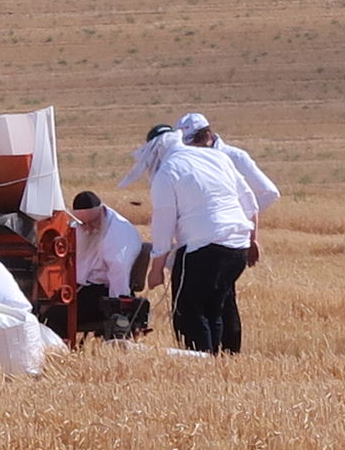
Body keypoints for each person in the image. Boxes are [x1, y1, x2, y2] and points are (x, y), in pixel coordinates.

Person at [144, 128, 259, 354]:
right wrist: (253, 240)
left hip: (203, 248)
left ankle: (201, 365)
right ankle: (216, 363)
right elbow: (250, 203)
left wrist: (156, 269)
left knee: (189, 311)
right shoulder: (217, 157)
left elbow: (163, 226)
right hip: (237, 246)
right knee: (214, 310)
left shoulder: (167, 171)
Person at [177, 112, 278, 351]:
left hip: (230, 238)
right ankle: (217, 355)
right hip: (206, 239)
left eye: (194, 141)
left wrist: (242, 227)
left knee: (224, 302)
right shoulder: (188, 161)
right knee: (218, 299)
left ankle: (227, 354)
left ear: (208, 136)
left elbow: (268, 193)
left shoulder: (233, 157)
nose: (191, 147)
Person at [70, 190, 147, 335]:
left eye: (92, 223)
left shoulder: (118, 234)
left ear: (103, 212)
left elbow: (119, 276)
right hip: (82, 288)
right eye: (83, 224)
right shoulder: (79, 226)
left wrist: (117, 312)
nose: (87, 229)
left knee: (54, 316)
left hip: (107, 294)